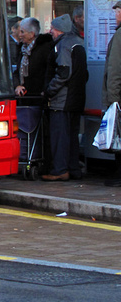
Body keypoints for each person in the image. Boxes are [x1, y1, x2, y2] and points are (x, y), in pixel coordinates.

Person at [42, 14, 88, 181]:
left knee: (59, 137)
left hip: (62, 100)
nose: (50, 32)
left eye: (52, 29)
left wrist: (49, 91)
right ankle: (73, 168)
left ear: (59, 30)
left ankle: (60, 170)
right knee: (72, 136)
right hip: (77, 99)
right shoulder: (79, 43)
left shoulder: (63, 46)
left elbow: (63, 72)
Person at [13, 18, 53, 165]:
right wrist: (17, 85)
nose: (19, 34)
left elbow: (47, 72)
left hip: (39, 96)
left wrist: (44, 90)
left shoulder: (44, 48)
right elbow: (16, 71)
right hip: (25, 97)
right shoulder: (21, 49)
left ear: (32, 33)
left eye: (22, 31)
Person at [101, 0, 121, 187]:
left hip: (119, 99)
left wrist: (113, 101)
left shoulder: (120, 35)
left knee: (118, 136)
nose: (115, 15)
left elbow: (114, 70)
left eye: (117, 11)